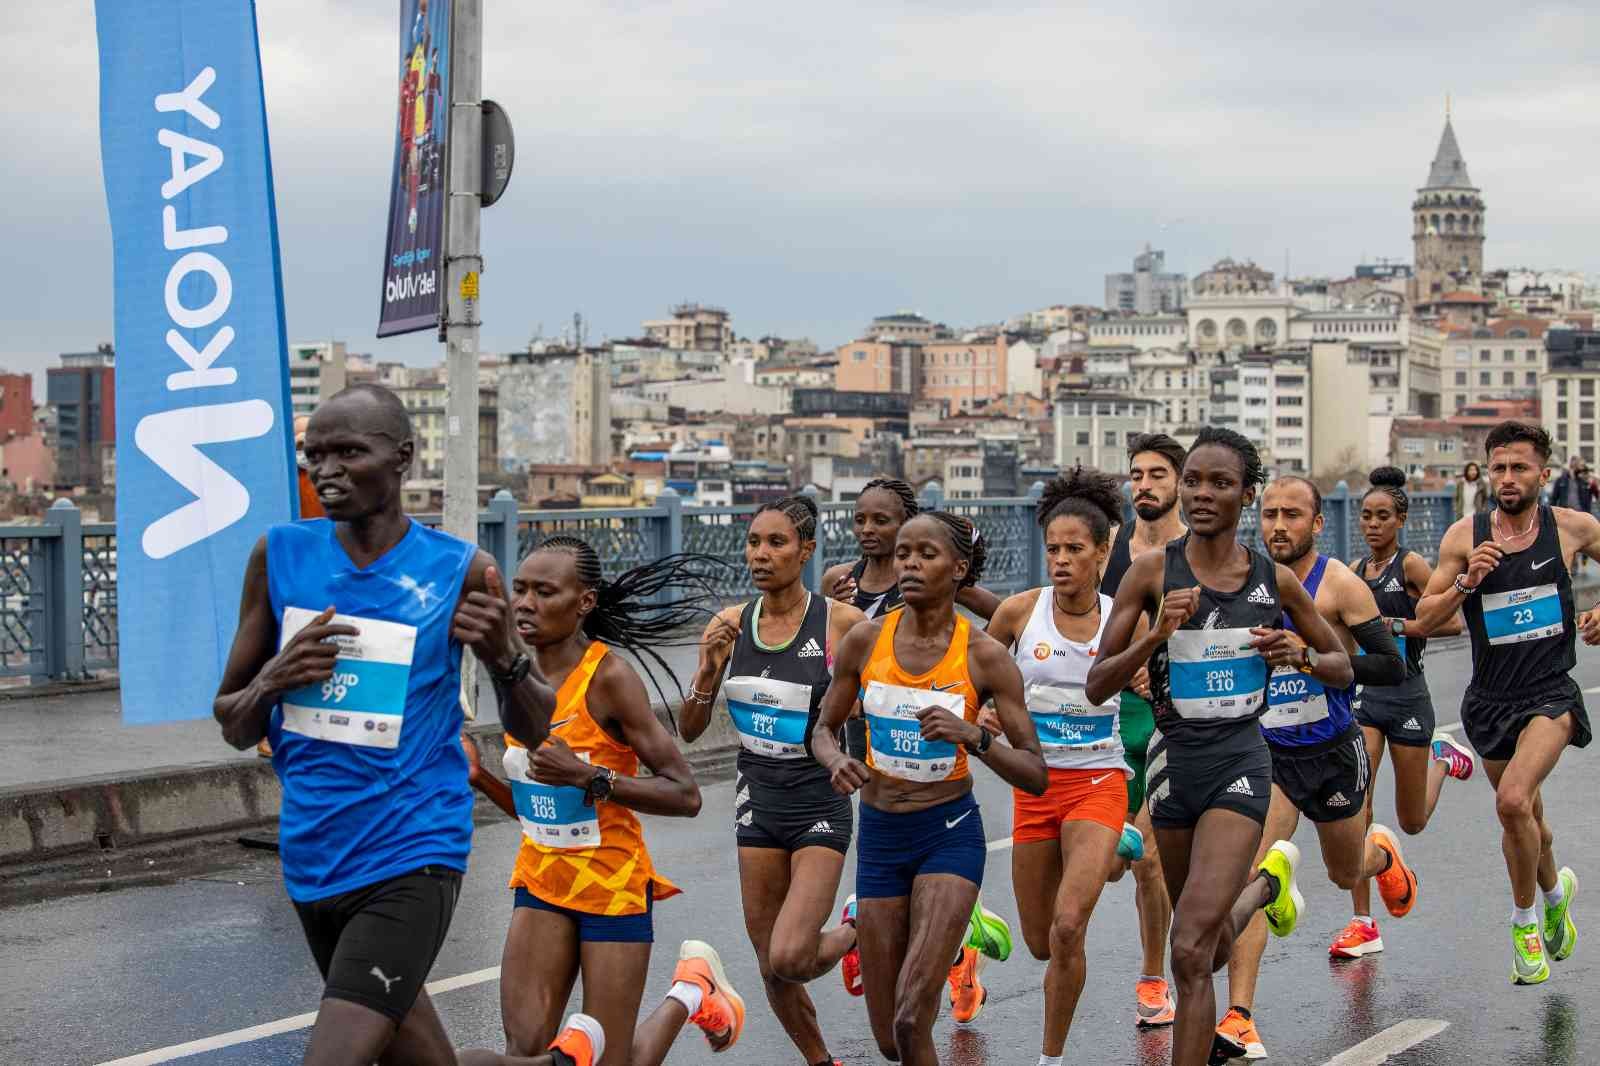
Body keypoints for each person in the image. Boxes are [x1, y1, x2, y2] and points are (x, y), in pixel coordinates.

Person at [212, 384, 559, 1066]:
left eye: (349, 451)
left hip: (412, 851)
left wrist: (506, 658)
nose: (327, 469)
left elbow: (538, 726)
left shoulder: (461, 570)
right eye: (316, 455)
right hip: (312, 853)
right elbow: (231, 719)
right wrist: (275, 678)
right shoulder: (279, 555)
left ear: (402, 458)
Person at [1086, 427, 1354, 1066]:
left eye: (1221, 483)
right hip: (1174, 766)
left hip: (1241, 762)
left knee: (1187, 949)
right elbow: (1098, 683)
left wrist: (1302, 653)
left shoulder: (1275, 580)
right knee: (1200, 950)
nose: (1203, 494)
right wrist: (1156, 636)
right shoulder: (1152, 573)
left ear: (1246, 494)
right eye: (1195, 481)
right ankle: (1266, 888)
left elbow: (1344, 665)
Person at [456, 536, 748, 1066]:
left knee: (612, 1062)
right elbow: (536, 809)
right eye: (520, 590)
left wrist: (590, 776)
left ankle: (691, 993)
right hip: (542, 879)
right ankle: (691, 991)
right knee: (523, 1049)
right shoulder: (518, 676)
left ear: (584, 601)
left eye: (545, 592)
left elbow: (685, 794)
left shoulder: (608, 678)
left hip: (609, 886)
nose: (525, 604)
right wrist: (479, 778)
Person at [811, 512, 1048, 1066]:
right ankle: (960, 938)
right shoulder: (865, 641)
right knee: (892, 1043)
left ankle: (955, 920)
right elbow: (822, 728)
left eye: (926, 554)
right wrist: (836, 759)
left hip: (947, 835)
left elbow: (1035, 773)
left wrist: (975, 738)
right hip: (880, 838)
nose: (910, 564)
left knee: (911, 1015)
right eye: (903, 554)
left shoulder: (983, 654)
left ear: (959, 568)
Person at [1214, 476, 1416, 1061]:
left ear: (1317, 524)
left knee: (1343, 871)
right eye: (1270, 513)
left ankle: (1381, 856)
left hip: (1331, 752)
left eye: (1292, 515)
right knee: (1250, 874)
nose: (1278, 525)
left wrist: (1307, 656)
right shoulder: (1240, 579)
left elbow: (1389, 668)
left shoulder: (1339, 585)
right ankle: (1240, 1017)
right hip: (1266, 755)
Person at [680, 495, 867, 1066]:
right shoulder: (729, 624)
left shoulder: (843, 624)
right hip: (757, 797)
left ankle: (855, 930)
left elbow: (876, 708)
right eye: (754, 542)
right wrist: (709, 674)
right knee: (770, 963)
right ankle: (820, 1060)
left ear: (806, 551)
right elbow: (689, 730)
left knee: (791, 955)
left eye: (777, 543)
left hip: (819, 797)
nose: (761, 555)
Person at [1416, 421, 1595, 986]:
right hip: (1489, 700)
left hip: (1550, 693)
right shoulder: (1463, 539)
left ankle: (1522, 924)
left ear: (1544, 473)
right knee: (1530, 820)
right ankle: (1553, 894)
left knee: (1514, 802)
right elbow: (1425, 620)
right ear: (1487, 472)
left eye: (1520, 468)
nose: (1509, 478)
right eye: (1499, 468)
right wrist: (1468, 582)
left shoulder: (1570, 527)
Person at [982, 467, 1134, 1066]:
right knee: (1042, 942)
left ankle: (1052, 1057)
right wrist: (985, 715)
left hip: (1099, 781)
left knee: (1070, 927)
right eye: (1053, 549)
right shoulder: (1019, 615)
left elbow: (1155, 685)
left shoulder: (1123, 616)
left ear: (1102, 552)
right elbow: (973, 686)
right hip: (1037, 788)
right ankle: (1118, 853)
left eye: (1076, 549)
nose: (1062, 560)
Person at [1335, 466, 1473, 960]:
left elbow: (1452, 623)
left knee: (1411, 822)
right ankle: (1362, 922)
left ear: (1401, 521)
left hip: (1410, 697)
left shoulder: (1413, 566)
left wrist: (1393, 626)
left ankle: (1443, 758)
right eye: (1366, 516)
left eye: (1381, 517)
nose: (1372, 525)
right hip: (1366, 700)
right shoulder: (1352, 574)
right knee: (1359, 808)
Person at [1098, 432, 1187, 1028]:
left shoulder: (1199, 547)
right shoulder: (1110, 549)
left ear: (1180, 481)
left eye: (1157, 474)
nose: (1144, 485)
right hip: (1112, 717)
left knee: (1149, 859)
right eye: (1136, 474)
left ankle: (1154, 977)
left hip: (1174, 720)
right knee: (1108, 865)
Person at [821, 479, 1003, 762]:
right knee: (871, 787)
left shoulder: (925, 577)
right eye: (860, 520)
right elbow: (828, 651)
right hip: (860, 711)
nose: (867, 529)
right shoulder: (838, 579)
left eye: (880, 520)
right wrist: (836, 610)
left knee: (924, 787)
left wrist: (968, 673)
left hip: (918, 708)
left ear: (906, 523)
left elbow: (1006, 615)